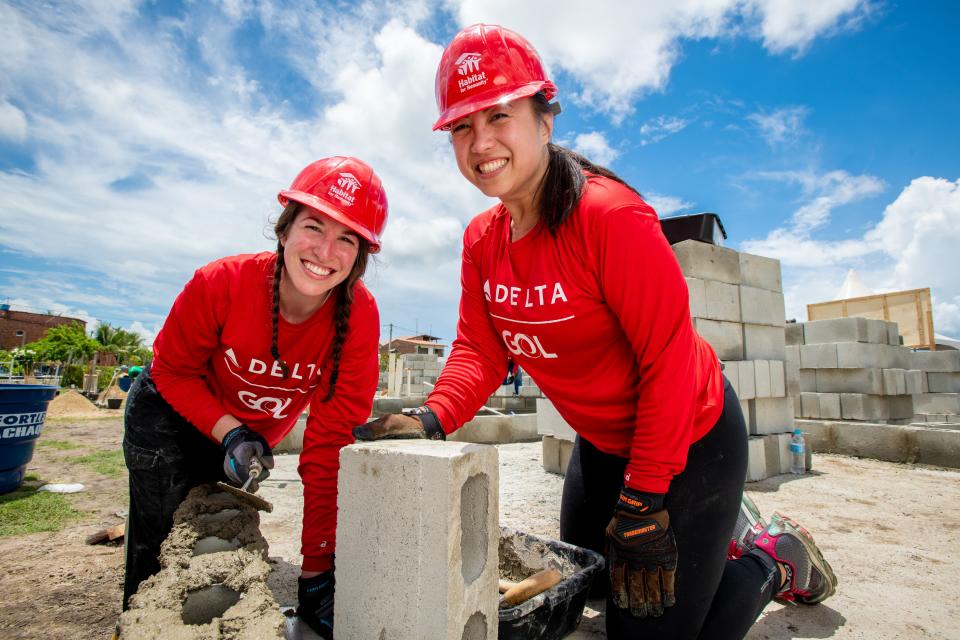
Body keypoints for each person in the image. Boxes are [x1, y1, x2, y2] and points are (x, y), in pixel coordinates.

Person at [354, 24, 836, 639]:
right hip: (605, 444)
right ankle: (713, 544)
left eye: (498, 116)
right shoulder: (482, 240)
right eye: (461, 127)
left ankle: (771, 559)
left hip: (689, 439)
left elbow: (667, 364)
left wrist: (644, 502)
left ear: (544, 120)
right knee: (593, 590)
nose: (480, 142)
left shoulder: (609, 218)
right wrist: (430, 418)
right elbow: (479, 347)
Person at [122, 156, 387, 639]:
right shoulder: (222, 282)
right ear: (284, 230)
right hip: (169, 416)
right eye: (314, 227)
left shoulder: (359, 319)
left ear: (360, 256)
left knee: (212, 538)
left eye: (347, 238)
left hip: (242, 436)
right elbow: (172, 372)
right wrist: (231, 432)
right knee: (162, 547)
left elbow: (329, 448)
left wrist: (315, 573)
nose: (326, 250)